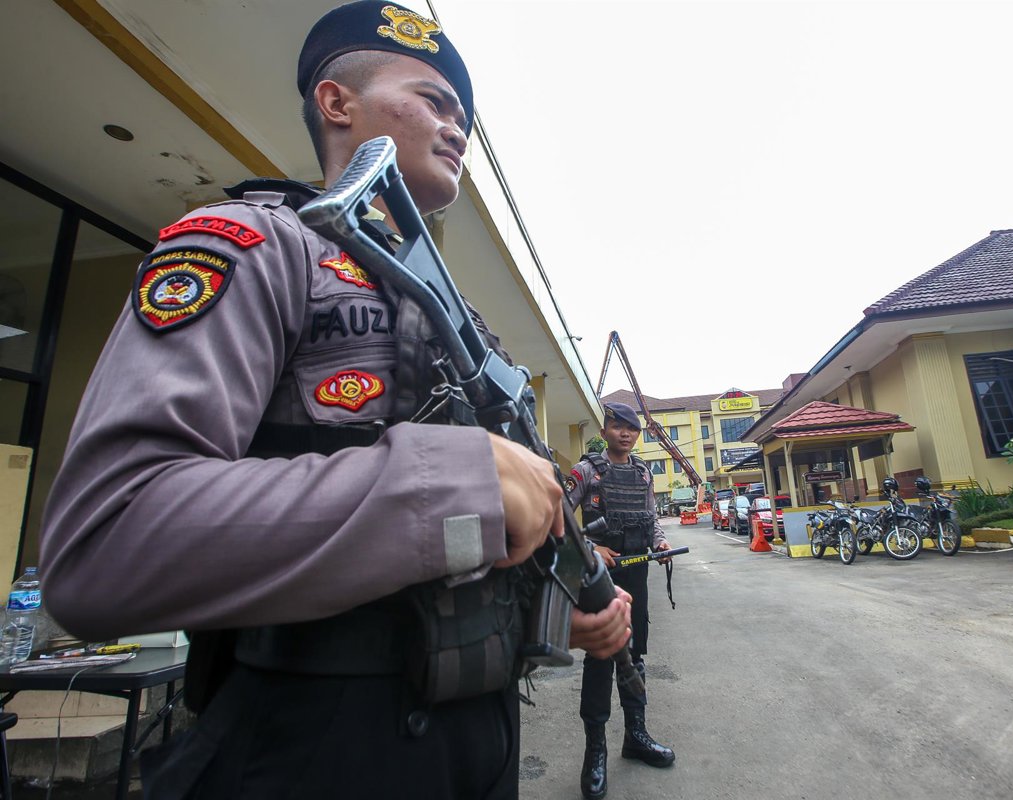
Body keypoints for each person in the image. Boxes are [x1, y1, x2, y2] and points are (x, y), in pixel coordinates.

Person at [38, 3, 631, 798]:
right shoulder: (256, 246)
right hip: (311, 745)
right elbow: (104, 543)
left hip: (480, 739)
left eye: (464, 116)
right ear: (336, 102)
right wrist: (452, 481)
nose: (456, 128)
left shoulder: (464, 323)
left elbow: (468, 558)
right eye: (433, 100)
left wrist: (558, 611)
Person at [565, 402, 677, 800]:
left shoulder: (644, 472)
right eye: (617, 426)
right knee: (601, 658)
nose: (625, 434)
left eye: (632, 428)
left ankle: (636, 736)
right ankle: (595, 752)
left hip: (636, 572)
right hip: (598, 578)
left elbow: (651, 516)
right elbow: (558, 516)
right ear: (605, 430)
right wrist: (591, 548)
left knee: (635, 655)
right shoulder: (586, 471)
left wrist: (660, 542)